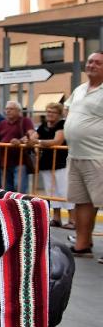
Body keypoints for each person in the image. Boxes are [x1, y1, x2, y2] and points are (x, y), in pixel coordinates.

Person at [65, 51, 103, 258]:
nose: (92, 65)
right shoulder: (80, 89)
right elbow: (68, 113)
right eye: (90, 61)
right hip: (76, 155)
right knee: (82, 201)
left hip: (98, 156)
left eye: (98, 62)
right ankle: (82, 244)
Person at [33, 101, 71, 228]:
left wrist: (38, 142)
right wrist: (31, 140)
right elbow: (32, 137)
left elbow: (58, 141)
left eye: (53, 112)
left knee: (64, 190)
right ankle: (56, 218)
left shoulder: (62, 124)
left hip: (61, 162)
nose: (49, 114)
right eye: (48, 111)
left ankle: (72, 220)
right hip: (46, 163)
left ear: (59, 114)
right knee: (51, 192)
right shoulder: (43, 125)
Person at [0, 100, 35, 192]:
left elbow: (33, 134)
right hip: (4, 162)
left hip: (20, 162)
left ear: (19, 111)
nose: (8, 111)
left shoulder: (25, 121)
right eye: (7, 109)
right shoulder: (3, 123)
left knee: (19, 189)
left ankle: (21, 205)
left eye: (11, 109)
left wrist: (20, 140)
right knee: (7, 190)